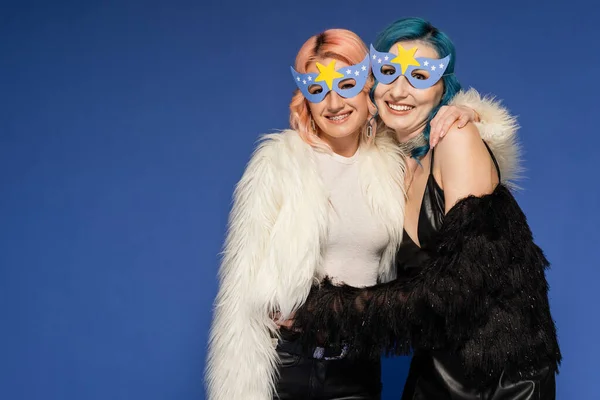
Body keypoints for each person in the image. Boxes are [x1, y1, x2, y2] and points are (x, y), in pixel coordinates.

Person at [205, 27, 517, 400]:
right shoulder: (279, 163)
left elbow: (470, 185)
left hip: (357, 368)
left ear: (368, 85)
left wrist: (471, 113)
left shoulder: (393, 165)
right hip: (287, 365)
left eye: (346, 84)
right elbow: (240, 291)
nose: (334, 103)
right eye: (318, 89)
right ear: (305, 98)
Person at [291, 18, 562, 400]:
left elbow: (463, 288)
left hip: (499, 377)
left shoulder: (456, 138)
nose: (400, 90)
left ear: (442, 89)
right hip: (435, 368)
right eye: (388, 72)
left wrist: (324, 311)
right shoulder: (393, 165)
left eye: (419, 76)